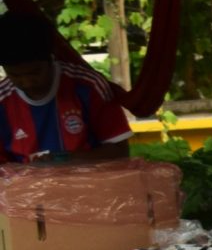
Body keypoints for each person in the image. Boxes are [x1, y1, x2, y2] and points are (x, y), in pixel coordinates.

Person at [0, 12, 132, 164]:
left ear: (51, 57)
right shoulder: (2, 100)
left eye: (35, 72)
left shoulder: (89, 86)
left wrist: (64, 161)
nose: (27, 82)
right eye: (15, 75)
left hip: (90, 183)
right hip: (24, 186)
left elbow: (120, 152)